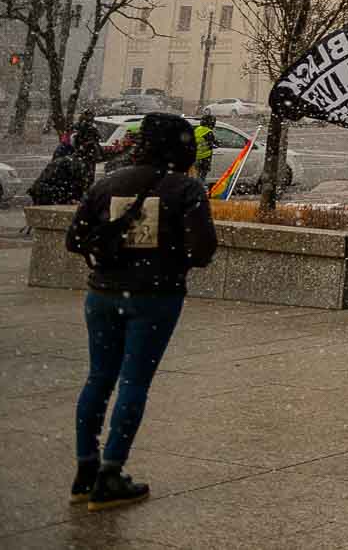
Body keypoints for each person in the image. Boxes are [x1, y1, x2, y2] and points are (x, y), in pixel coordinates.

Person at [64, 112, 217, 511]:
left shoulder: (107, 183)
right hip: (155, 297)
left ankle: (84, 470)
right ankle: (111, 473)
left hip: (102, 293)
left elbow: (74, 239)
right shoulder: (186, 188)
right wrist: (167, 255)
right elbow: (202, 251)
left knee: (98, 378)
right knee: (134, 382)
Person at [28, 140, 93, 207]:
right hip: (49, 194)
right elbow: (77, 187)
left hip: (41, 190)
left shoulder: (68, 159)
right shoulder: (78, 164)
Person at [191, 112, 216, 185]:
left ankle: (193, 191)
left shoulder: (197, 129)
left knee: (195, 177)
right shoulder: (208, 132)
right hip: (204, 159)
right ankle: (198, 192)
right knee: (201, 178)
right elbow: (213, 144)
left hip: (195, 158)